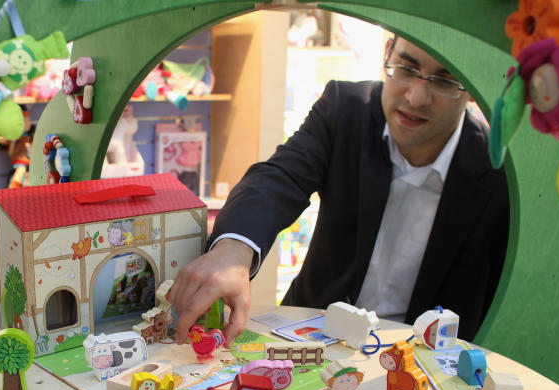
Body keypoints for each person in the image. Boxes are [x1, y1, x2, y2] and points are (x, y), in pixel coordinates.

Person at [169, 37, 509, 346]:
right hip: (312, 337)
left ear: (472, 86)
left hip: (420, 367)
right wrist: (234, 251)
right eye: (407, 68)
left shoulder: (500, 176)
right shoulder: (346, 110)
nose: (416, 97)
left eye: (445, 79)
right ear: (387, 51)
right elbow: (279, 176)